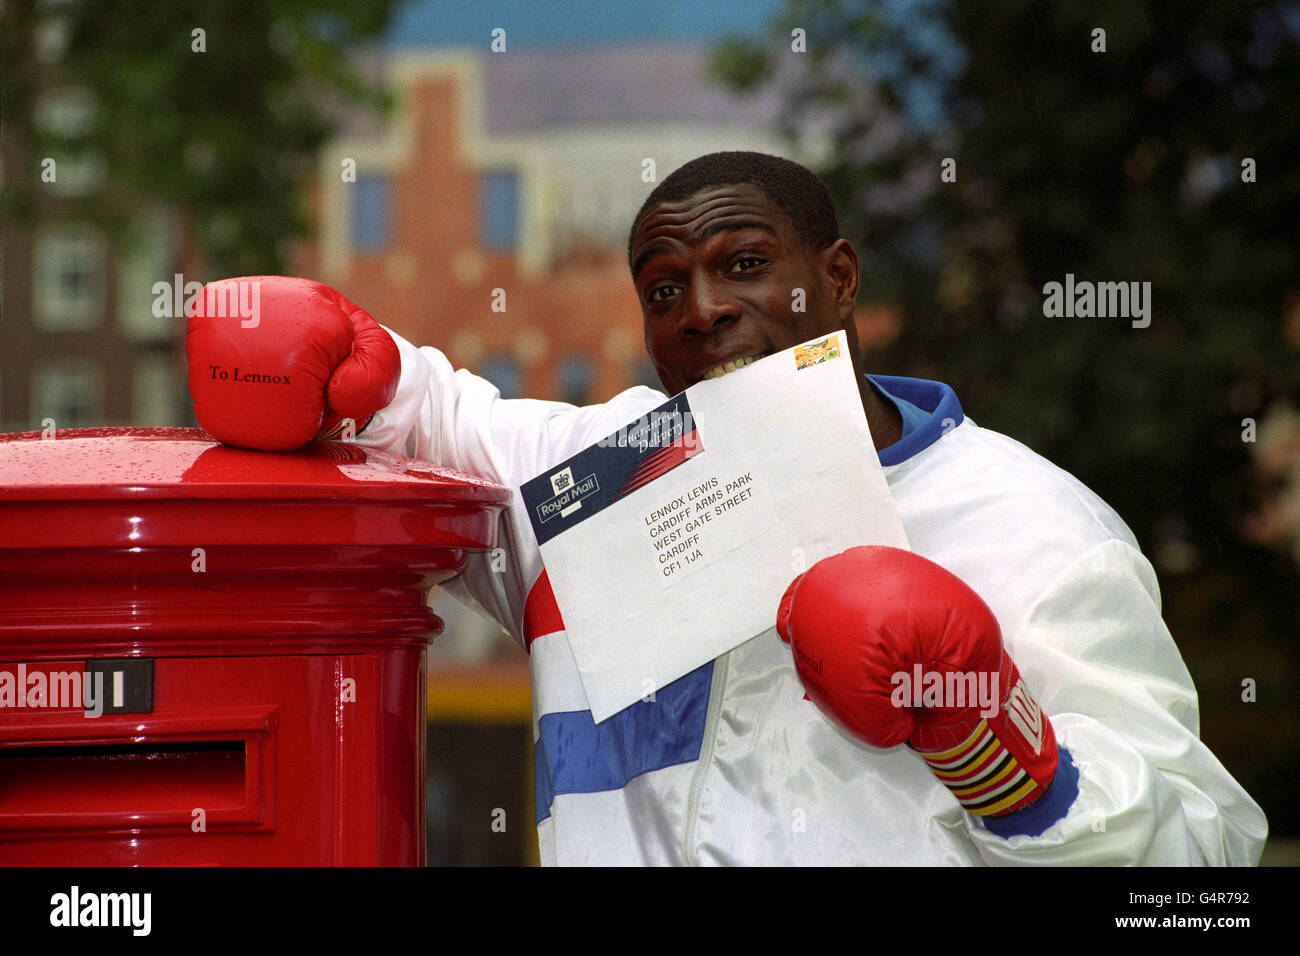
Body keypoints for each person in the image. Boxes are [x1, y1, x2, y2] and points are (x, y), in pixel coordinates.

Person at [186, 151, 1267, 865]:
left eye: (743, 264)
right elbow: (424, 418)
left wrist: (996, 741)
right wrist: (327, 356)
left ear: (838, 278)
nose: (702, 309)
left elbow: (1203, 858)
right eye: (663, 287)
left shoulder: (1028, 522)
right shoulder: (604, 477)